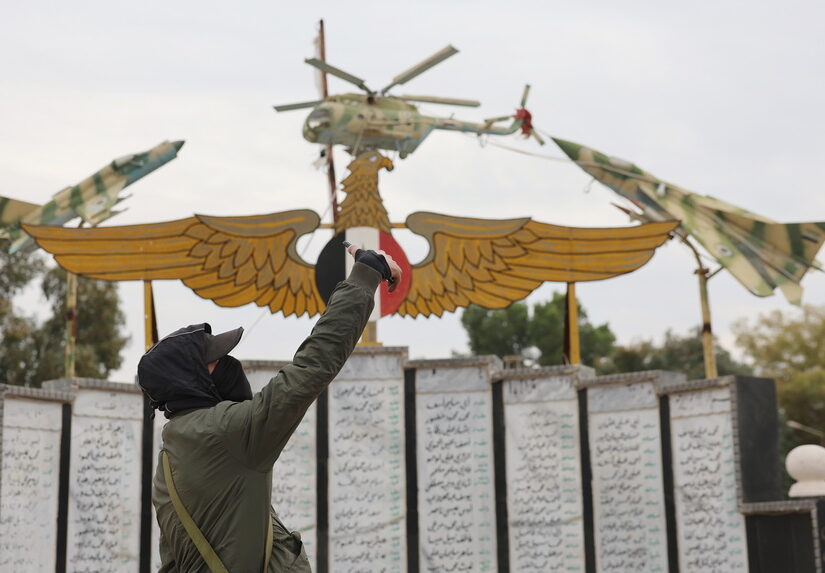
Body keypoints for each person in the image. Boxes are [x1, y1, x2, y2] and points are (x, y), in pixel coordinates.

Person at [138, 245, 401, 572]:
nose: (228, 364)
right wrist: (366, 273)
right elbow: (312, 366)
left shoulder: (172, 454)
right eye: (214, 360)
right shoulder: (228, 434)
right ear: (189, 380)